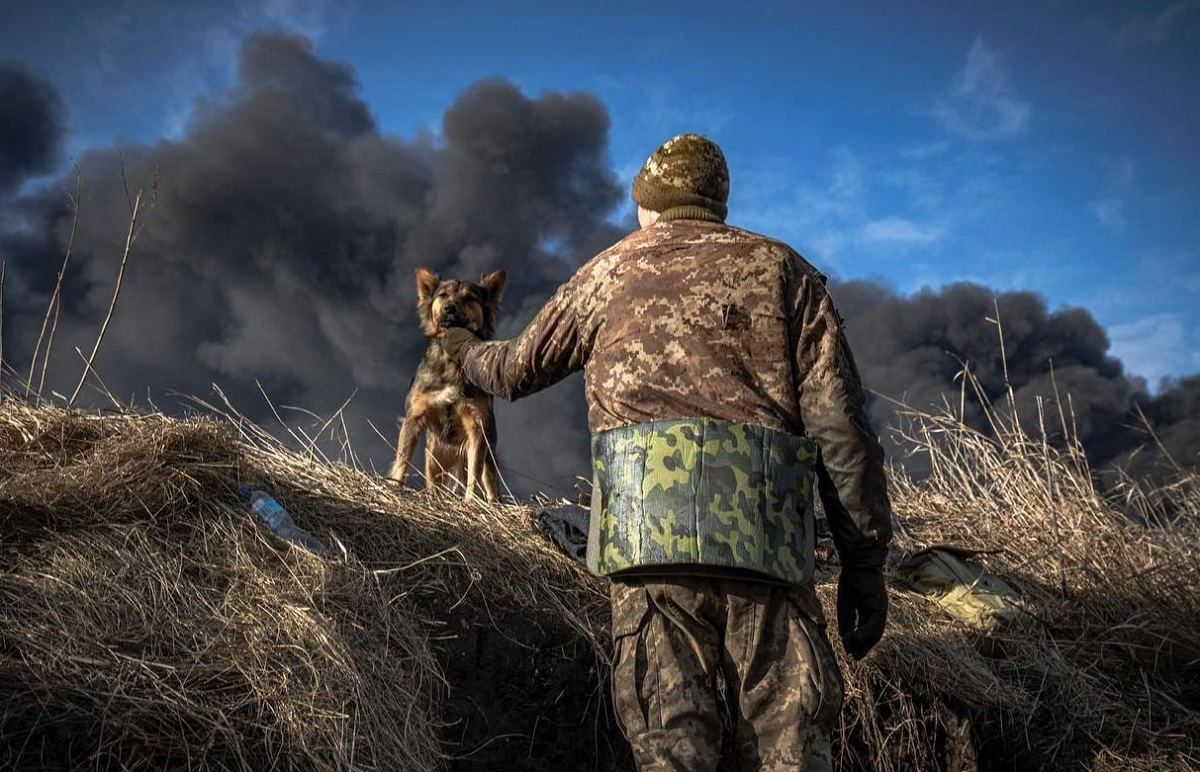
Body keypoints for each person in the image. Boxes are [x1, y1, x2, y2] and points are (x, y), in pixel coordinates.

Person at [440, 133, 893, 771]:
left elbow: (515, 370)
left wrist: (462, 350)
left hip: (648, 555)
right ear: (718, 203)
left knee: (673, 753)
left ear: (646, 205)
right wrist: (864, 563)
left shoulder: (607, 271)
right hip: (766, 554)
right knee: (791, 754)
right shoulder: (784, 270)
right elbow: (842, 433)